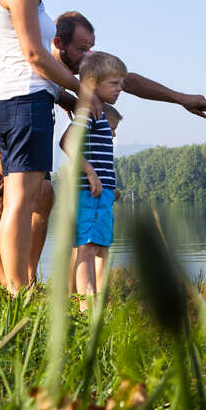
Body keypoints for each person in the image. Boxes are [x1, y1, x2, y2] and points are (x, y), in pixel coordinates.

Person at [0, 11, 206, 288]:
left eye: (90, 48)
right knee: (0, 197)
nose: (87, 56)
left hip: (29, 113)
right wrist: (2, 163)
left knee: (44, 197)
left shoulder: (76, 59)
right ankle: (5, 281)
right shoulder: (22, 49)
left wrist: (180, 99)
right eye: (81, 49)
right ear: (58, 43)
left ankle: (29, 278)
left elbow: (126, 80)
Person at [0, 0, 98, 295]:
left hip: (11, 102)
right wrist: (80, 89)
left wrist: (62, 94)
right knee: (21, 200)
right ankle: (17, 288)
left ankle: (15, 285)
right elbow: (35, 56)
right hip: (24, 103)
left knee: (23, 199)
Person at [60, 52, 126, 310]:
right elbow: (67, 143)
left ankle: (99, 301)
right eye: (114, 83)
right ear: (92, 84)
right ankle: (85, 304)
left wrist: (111, 189)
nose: (120, 88)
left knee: (102, 249)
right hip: (88, 193)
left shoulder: (99, 114)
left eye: (121, 83)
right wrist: (88, 171)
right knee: (87, 248)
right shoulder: (88, 112)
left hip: (103, 194)